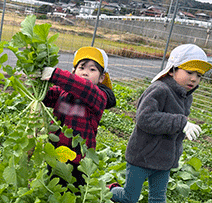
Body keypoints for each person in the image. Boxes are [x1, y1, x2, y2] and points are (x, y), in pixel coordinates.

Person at [108, 43, 212, 203]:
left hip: (164, 160)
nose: (194, 78)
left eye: (199, 75)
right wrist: (180, 123)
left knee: (158, 199)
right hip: (141, 157)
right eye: (189, 72)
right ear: (172, 70)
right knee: (129, 198)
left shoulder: (186, 96)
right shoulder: (160, 89)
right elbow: (145, 118)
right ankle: (109, 190)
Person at [41, 46, 116, 188]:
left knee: (74, 193)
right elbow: (46, 96)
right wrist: (37, 83)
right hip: (55, 152)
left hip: (78, 160)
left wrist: (55, 74)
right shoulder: (63, 92)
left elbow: (84, 88)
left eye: (92, 69)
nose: (85, 73)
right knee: (52, 188)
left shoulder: (99, 96)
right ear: (74, 71)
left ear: (101, 78)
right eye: (81, 68)